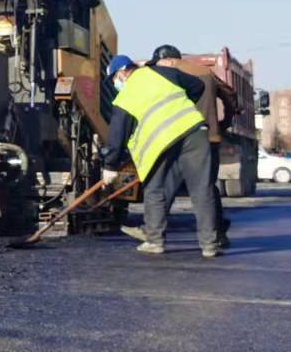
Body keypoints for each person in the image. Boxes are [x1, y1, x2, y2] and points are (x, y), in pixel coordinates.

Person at [100, 53, 221, 258]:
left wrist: (110, 166)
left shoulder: (125, 96)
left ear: (121, 73)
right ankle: (210, 245)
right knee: (202, 189)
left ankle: (155, 241)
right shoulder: (162, 72)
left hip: (161, 143)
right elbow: (197, 86)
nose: (114, 84)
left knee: (155, 189)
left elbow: (117, 133)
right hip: (194, 132)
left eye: (113, 79)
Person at [146, 44, 238, 247]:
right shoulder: (204, 72)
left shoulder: (165, 75)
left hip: (173, 137)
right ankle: (216, 235)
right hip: (207, 137)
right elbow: (230, 94)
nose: (157, 66)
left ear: (168, 60)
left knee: (164, 185)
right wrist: (224, 122)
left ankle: (153, 234)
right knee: (206, 188)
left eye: (158, 62)